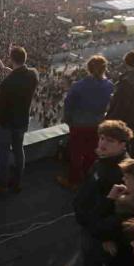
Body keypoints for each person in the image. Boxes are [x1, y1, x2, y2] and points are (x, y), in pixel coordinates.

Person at [59, 120, 132, 266]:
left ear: (123, 145)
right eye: (101, 138)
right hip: (90, 223)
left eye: (110, 140)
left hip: (98, 230)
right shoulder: (104, 160)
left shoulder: (121, 172)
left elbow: (120, 212)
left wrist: (108, 237)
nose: (102, 143)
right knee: (89, 263)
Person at [57, 55, 114, 190]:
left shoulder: (78, 86)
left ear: (88, 69)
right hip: (97, 124)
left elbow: (68, 105)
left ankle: (74, 181)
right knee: (92, 152)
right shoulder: (109, 86)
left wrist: (70, 121)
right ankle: (88, 178)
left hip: (79, 124)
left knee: (76, 152)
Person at [0, 46, 38, 194]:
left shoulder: (7, 83)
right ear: (25, 58)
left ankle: (2, 184)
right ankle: (17, 182)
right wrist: (12, 73)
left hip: (6, 124)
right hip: (22, 121)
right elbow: (23, 78)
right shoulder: (33, 75)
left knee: (4, 154)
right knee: (18, 150)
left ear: (11, 60)